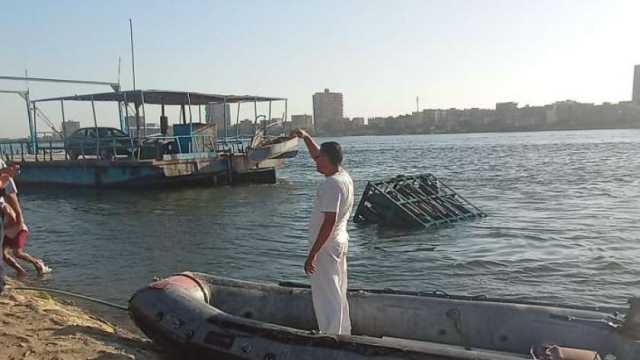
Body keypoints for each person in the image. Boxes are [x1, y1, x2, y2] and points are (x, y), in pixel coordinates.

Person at [290, 129, 354, 335]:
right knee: (337, 288)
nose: (315, 161)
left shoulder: (331, 185)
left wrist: (312, 254)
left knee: (326, 292)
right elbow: (317, 154)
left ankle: (330, 334)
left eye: (320, 159)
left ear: (329, 159)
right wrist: (306, 137)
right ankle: (342, 330)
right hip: (339, 241)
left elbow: (329, 222)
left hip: (326, 246)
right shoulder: (343, 176)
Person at [0, 161, 50, 277]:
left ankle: (35, 264)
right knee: (5, 254)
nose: (17, 172)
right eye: (15, 169)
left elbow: (13, 203)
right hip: (9, 226)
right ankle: (22, 272)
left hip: (14, 225)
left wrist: (19, 221)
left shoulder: (7, 184)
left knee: (17, 253)